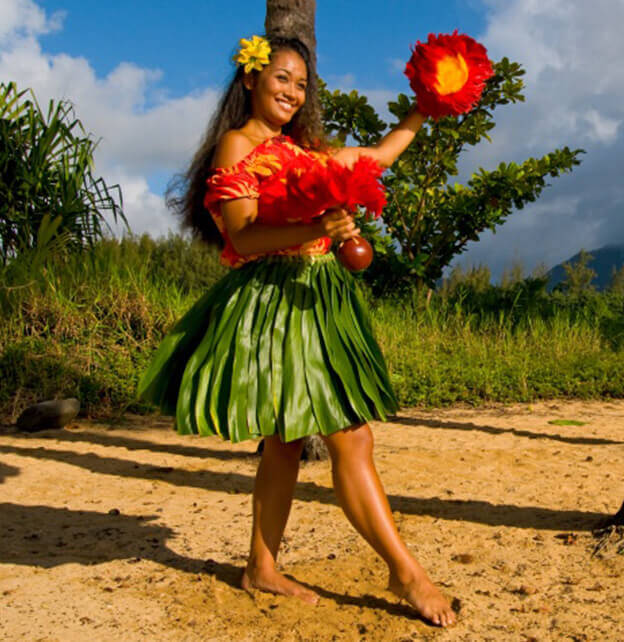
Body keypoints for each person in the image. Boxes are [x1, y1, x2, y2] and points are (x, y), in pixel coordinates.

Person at [138, 35, 457, 627]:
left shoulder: (303, 150)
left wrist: (424, 108)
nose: (291, 90)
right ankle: (406, 571)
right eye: (281, 77)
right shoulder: (238, 145)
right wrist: (313, 224)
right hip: (277, 298)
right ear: (252, 81)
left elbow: (380, 156)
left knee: (285, 439)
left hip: (320, 296)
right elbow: (244, 237)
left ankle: (262, 564)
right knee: (350, 437)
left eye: (301, 83)